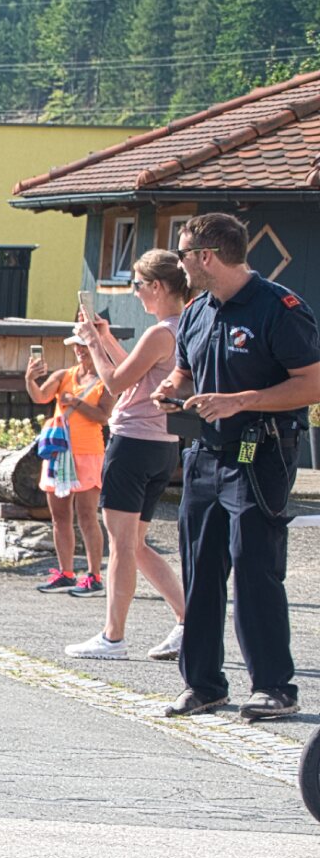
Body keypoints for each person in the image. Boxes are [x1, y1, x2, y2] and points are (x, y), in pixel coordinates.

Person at [151, 212, 320, 720]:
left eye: (183, 254)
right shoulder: (198, 311)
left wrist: (241, 400)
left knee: (254, 568)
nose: (179, 265)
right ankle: (203, 684)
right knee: (201, 570)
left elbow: (312, 383)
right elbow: (184, 372)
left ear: (206, 256)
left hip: (259, 453)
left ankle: (274, 687)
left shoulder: (279, 307)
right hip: (204, 455)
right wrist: (170, 390)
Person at [65, 250, 188, 662]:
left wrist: (90, 343)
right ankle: (188, 620)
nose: (135, 293)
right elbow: (139, 374)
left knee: (120, 544)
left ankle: (112, 637)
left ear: (157, 286)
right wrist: (105, 339)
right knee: (135, 544)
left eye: (137, 285)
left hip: (133, 442)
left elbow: (116, 382)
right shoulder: (184, 327)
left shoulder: (159, 333)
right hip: (163, 445)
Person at [26, 334, 110, 595]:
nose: (80, 350)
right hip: (59, 451)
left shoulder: (107, 379)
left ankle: (94, 576)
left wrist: (75, 402)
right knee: (59, 516)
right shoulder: (64, 375)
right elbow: (40, 397)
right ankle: (66, 573)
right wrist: (30, 379)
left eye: (84, 345)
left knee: (87, 515)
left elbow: (103, 416)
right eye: (76, 345)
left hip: (88, 451)